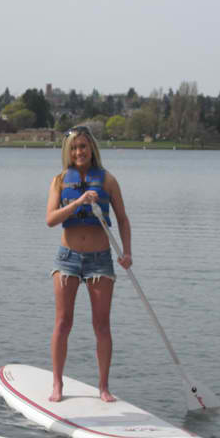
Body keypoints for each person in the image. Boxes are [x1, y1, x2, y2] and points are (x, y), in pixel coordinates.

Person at [45, 125, 132, 403]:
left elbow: (122, 219)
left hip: (100, 260)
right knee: (63, 323)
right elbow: (50, 219)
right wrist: (79, 201)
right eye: (74, 147)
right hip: (68, 258)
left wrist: (127, 253)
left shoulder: (107, 180)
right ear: (67, 152)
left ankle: (103, 387)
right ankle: (57, 384)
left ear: (92, 149)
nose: (79, 152)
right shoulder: (59, 181)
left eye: (83, 146)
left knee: (102, 325)